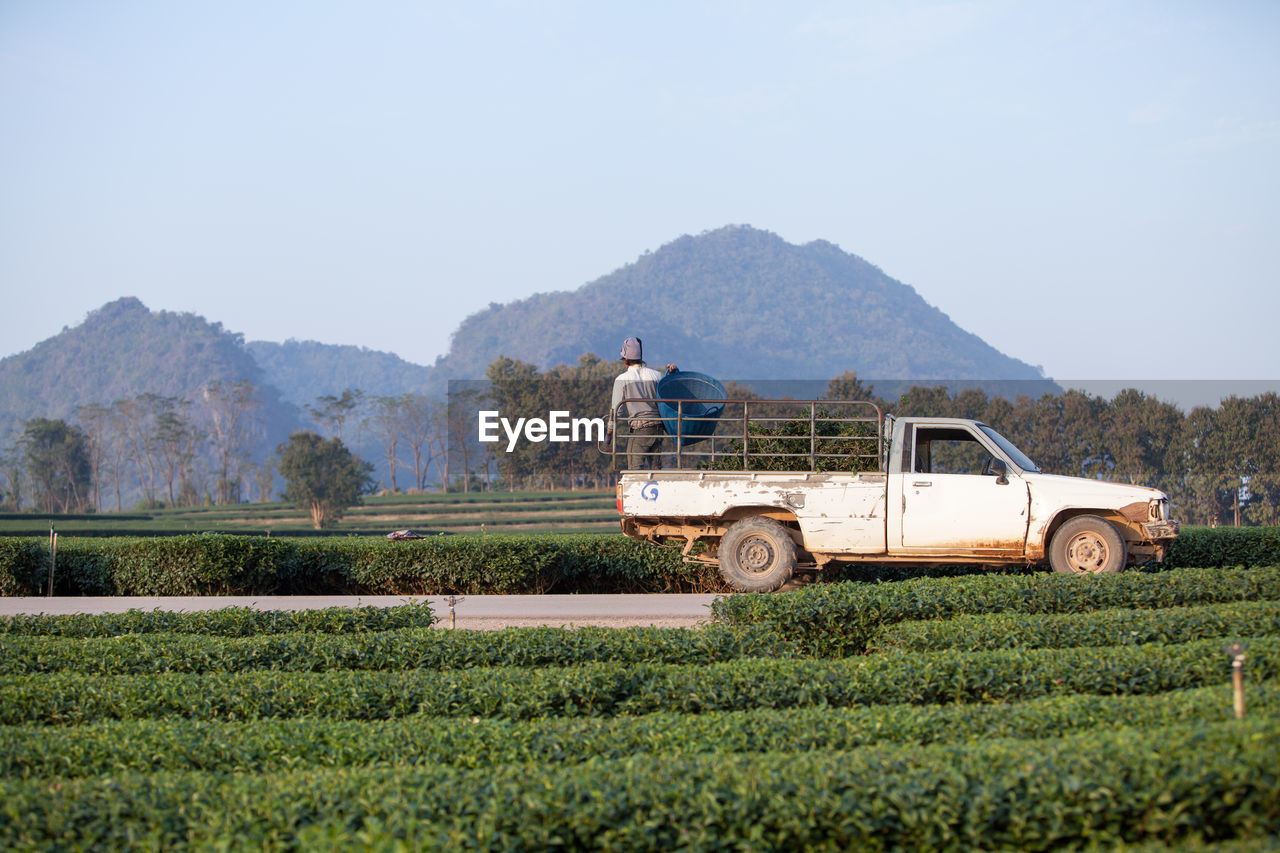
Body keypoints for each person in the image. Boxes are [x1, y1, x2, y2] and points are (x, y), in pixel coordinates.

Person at [606, 337, 676, 469]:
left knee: (635, 467)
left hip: (640, 430)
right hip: (658, 429)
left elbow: (616, 411)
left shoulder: (622, 379)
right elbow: (666, 398)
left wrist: (609, 434)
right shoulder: (656, 375)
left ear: (625, 360)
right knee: (656, 468)